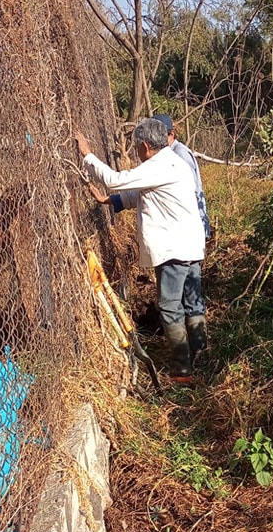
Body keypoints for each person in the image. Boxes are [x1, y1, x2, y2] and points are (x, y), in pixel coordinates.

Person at [74, 118, 208, 382]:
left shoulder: (157, 165)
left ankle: (183, 371)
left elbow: (115, 180)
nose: (136, 152)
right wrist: (109, 201)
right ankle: (202, 357)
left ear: (146, 145)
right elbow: (143, 193)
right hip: (190, 246)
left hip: (173, 250)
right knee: (193, 303)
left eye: (137, 147)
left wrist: (88, 155)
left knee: (170, 306)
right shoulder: (174, 163)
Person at [152, 113, 211, 240]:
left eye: (158, 137)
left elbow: (192, 192)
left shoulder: (180, 154)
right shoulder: (165, 155)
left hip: (190, 228)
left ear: (171, 135)